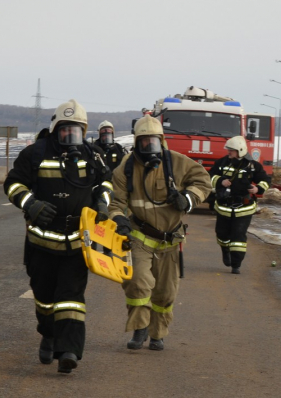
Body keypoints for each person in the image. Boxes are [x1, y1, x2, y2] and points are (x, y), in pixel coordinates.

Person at [3, 99, 112, 373]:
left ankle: (69, 352)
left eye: (75, 130)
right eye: (64, 129)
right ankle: (48, 335)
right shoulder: (35, 153)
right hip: (41, 242)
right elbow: (13, 183)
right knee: (45, 298)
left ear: (83, 130)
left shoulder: (93, 154)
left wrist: (103, 202)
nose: (69, 135)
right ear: (55, 128)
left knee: (71, 297)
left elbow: (105, 182)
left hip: (77, 242)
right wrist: (31, 204)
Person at [108, 116, 211, 351]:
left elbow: (203, 181)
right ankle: (140, 327)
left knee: (165, 293)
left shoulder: (177, 162)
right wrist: (119, 219)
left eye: (153, 142)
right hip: (140, 236)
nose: (148, 147)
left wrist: (187, 198)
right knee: (137, 283)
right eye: (144, 142)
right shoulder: (125, 167)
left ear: (161, 141)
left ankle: (157, 334)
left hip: (170, 240)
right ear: (136, 142)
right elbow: (116, 204)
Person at [209, 136, 271, 274]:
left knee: (238, 236)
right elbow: (209, 176)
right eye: (228, 149)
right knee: (222, 234)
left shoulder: (253, 166)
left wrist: (257, 189)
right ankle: (225, 250)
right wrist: (220, 181)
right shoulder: (221, 163)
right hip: (223, 207)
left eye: (231, 150)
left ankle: (236, 264)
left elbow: (265, 180)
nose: (228, 152)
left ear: (240, 150)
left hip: (244, 208)